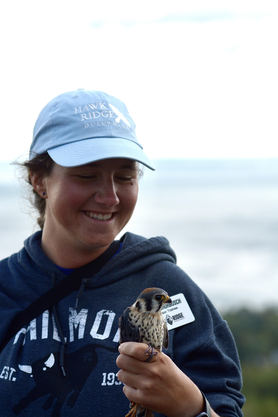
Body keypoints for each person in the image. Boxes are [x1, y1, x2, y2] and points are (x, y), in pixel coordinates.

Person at [0, 89, 244, 417]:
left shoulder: (169, 289)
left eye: (125, 177)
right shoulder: (5, 288)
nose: (110, 197)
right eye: (87, 176)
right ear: (39, 180)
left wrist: (192, 407)